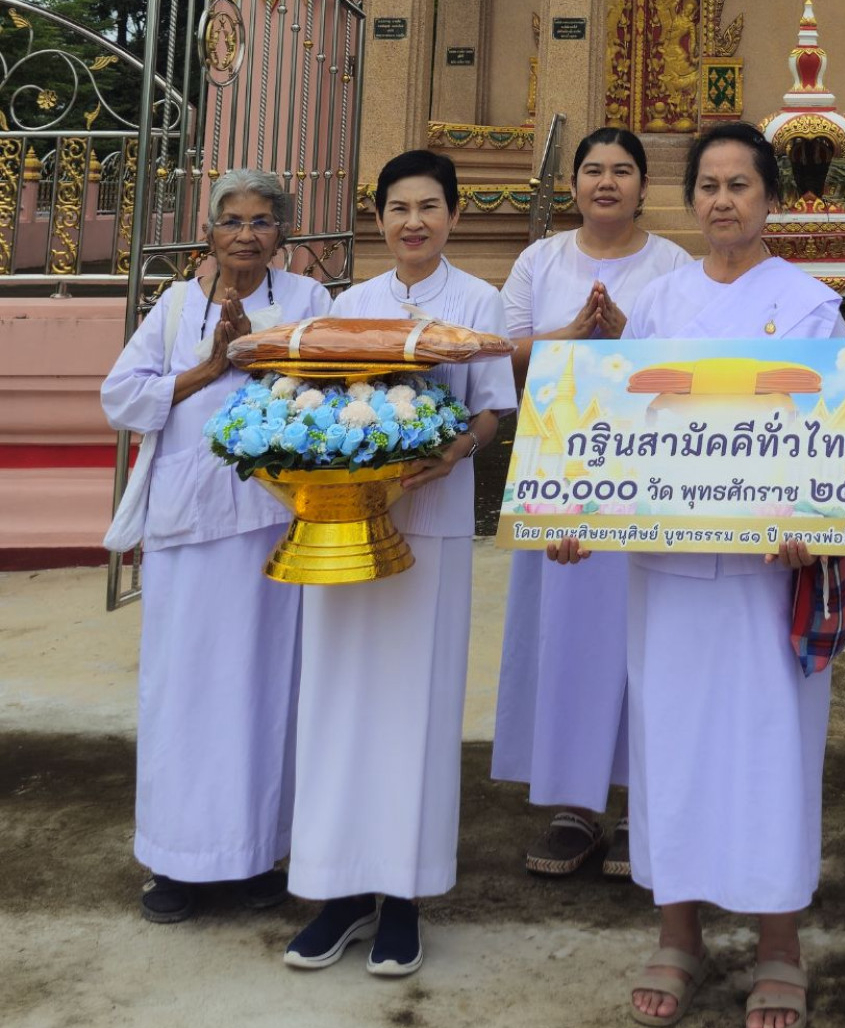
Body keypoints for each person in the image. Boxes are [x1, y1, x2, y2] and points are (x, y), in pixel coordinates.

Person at [604, 120, 844, 1028]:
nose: (722, 201)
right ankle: (679, 930)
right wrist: (578, 513)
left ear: (771, 199)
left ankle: (779, 941)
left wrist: (814, 527)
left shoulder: (811, 303)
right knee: (671, 741)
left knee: (768, 742)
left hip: (762, 571)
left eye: (740, 185)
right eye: (707, 185)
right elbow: (617, 428)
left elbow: (833, 440)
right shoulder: (659, 304)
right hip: (668, 569)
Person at [283, 150, 514, 981]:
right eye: (397, 208)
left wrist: (457, 449)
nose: (412, 221)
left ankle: (405, 897)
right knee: (339, 701)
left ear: (452, 213)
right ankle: (337, 891)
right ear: (379, 218)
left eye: (428, 206)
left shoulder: (478, 301)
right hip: (347, 525)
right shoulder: (352, 305)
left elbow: (492, 410)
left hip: (435, 525)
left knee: (417, 709)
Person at [101, 171, 330, 922]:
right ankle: (178, 864)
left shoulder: (308, 302)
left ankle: (259, 854)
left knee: (264, 688)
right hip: (189, 526)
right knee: (184, 693)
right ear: (208, 233)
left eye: (262, 221)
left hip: (272, 524)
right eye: (231, 220)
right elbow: (120, 397)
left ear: (282, 235)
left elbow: (330, 393)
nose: (245, 234)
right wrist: (208, 368)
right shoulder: (173, 307)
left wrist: (263, 360)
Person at [490, 127, 689, 880]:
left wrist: (629, 338)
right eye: (594, 170)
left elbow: (687, 360)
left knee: (645, 630)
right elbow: (504, 350)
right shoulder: (539, 260)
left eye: (623, 171)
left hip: (646, 463)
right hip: (561, 462)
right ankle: (577, 805)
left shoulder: (672, 263)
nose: (607, 182)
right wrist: (572, 337)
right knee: (568, 630)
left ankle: (645, 799)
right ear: (573, 184)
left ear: (644, 185)